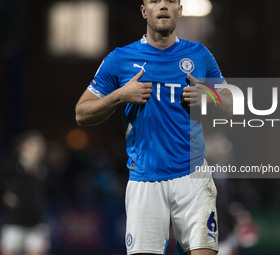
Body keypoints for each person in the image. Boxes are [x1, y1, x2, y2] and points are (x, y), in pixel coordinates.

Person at [75, 0, 231, 254]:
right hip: (145, 180)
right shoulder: (120, 58)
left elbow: (234, 102)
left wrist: (208, 95)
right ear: (143, 10)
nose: (163, 6)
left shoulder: (199, 54)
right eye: (155, 1)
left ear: (179, 10)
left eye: (170, 1)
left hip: (193, 177)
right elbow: (81, 113)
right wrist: (120, 95)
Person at [0, 130, 50, 255]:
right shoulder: (11, 165)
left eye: (41, 144)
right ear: (24, 145)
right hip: (14, 222)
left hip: (36, 223)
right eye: (35, 144)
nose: (39, 147)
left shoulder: (44, 169)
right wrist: (4, 195)